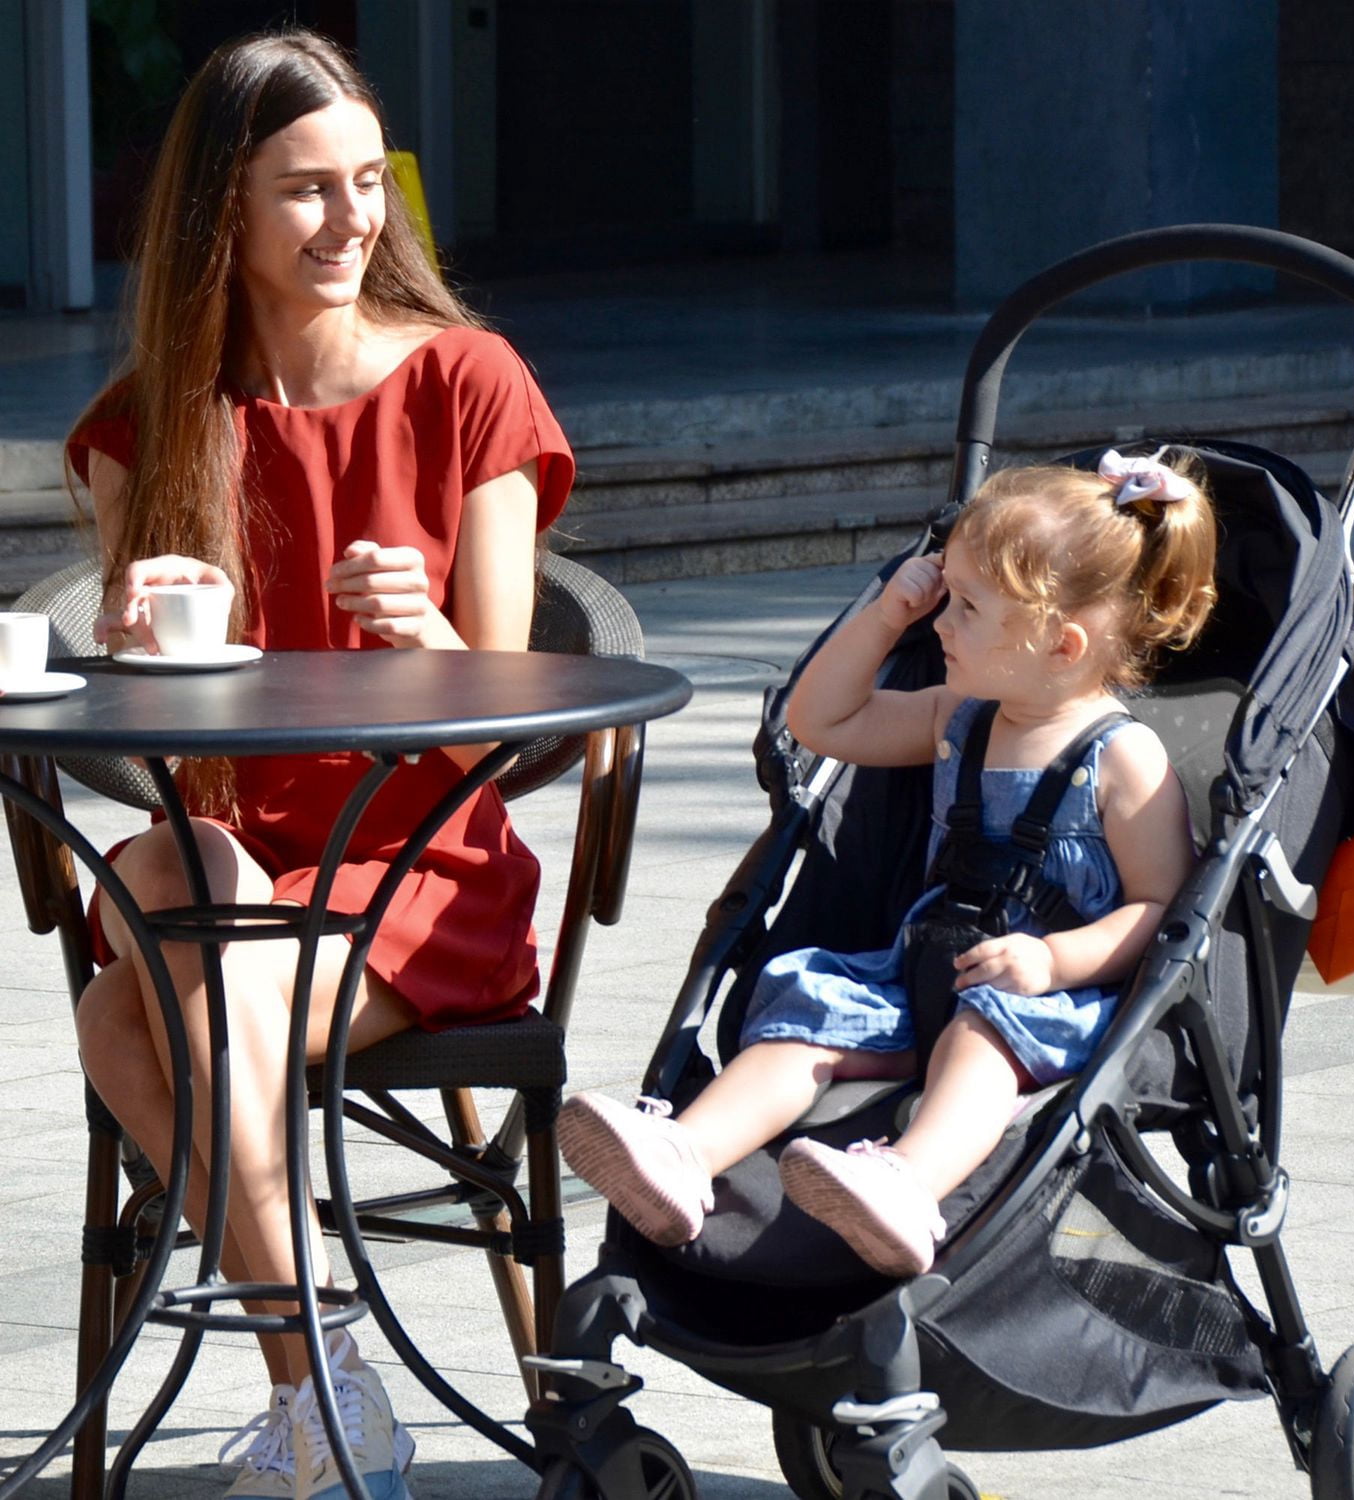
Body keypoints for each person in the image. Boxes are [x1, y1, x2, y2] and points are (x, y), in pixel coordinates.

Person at [65, 28, 573, 1500]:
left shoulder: (469, 381)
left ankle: (318, 1400)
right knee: (182, 889)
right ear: (219, 210)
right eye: (305, 189)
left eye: (368, 181)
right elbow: (145, 749)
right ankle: (332, 1388)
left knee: (122, 1025)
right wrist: (125, 653)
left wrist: (433, 639)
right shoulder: (149, 426)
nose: (352, 219)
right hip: (225, 861)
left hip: (419, 870)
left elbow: (501, 729)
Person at [558, 451, 1216, 1279]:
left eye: (968, 608)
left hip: (1045, 1003)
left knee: (982, 1038)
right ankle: (684, 1153)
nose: (942, 624)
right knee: (808, 1023)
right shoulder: (959, 718)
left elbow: (1161, 909)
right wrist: (884, 616)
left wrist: (1054, 960)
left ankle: (908, 1183)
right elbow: (822, 723)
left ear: (1061, 644)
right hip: (921, 973)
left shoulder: (1123, 760)